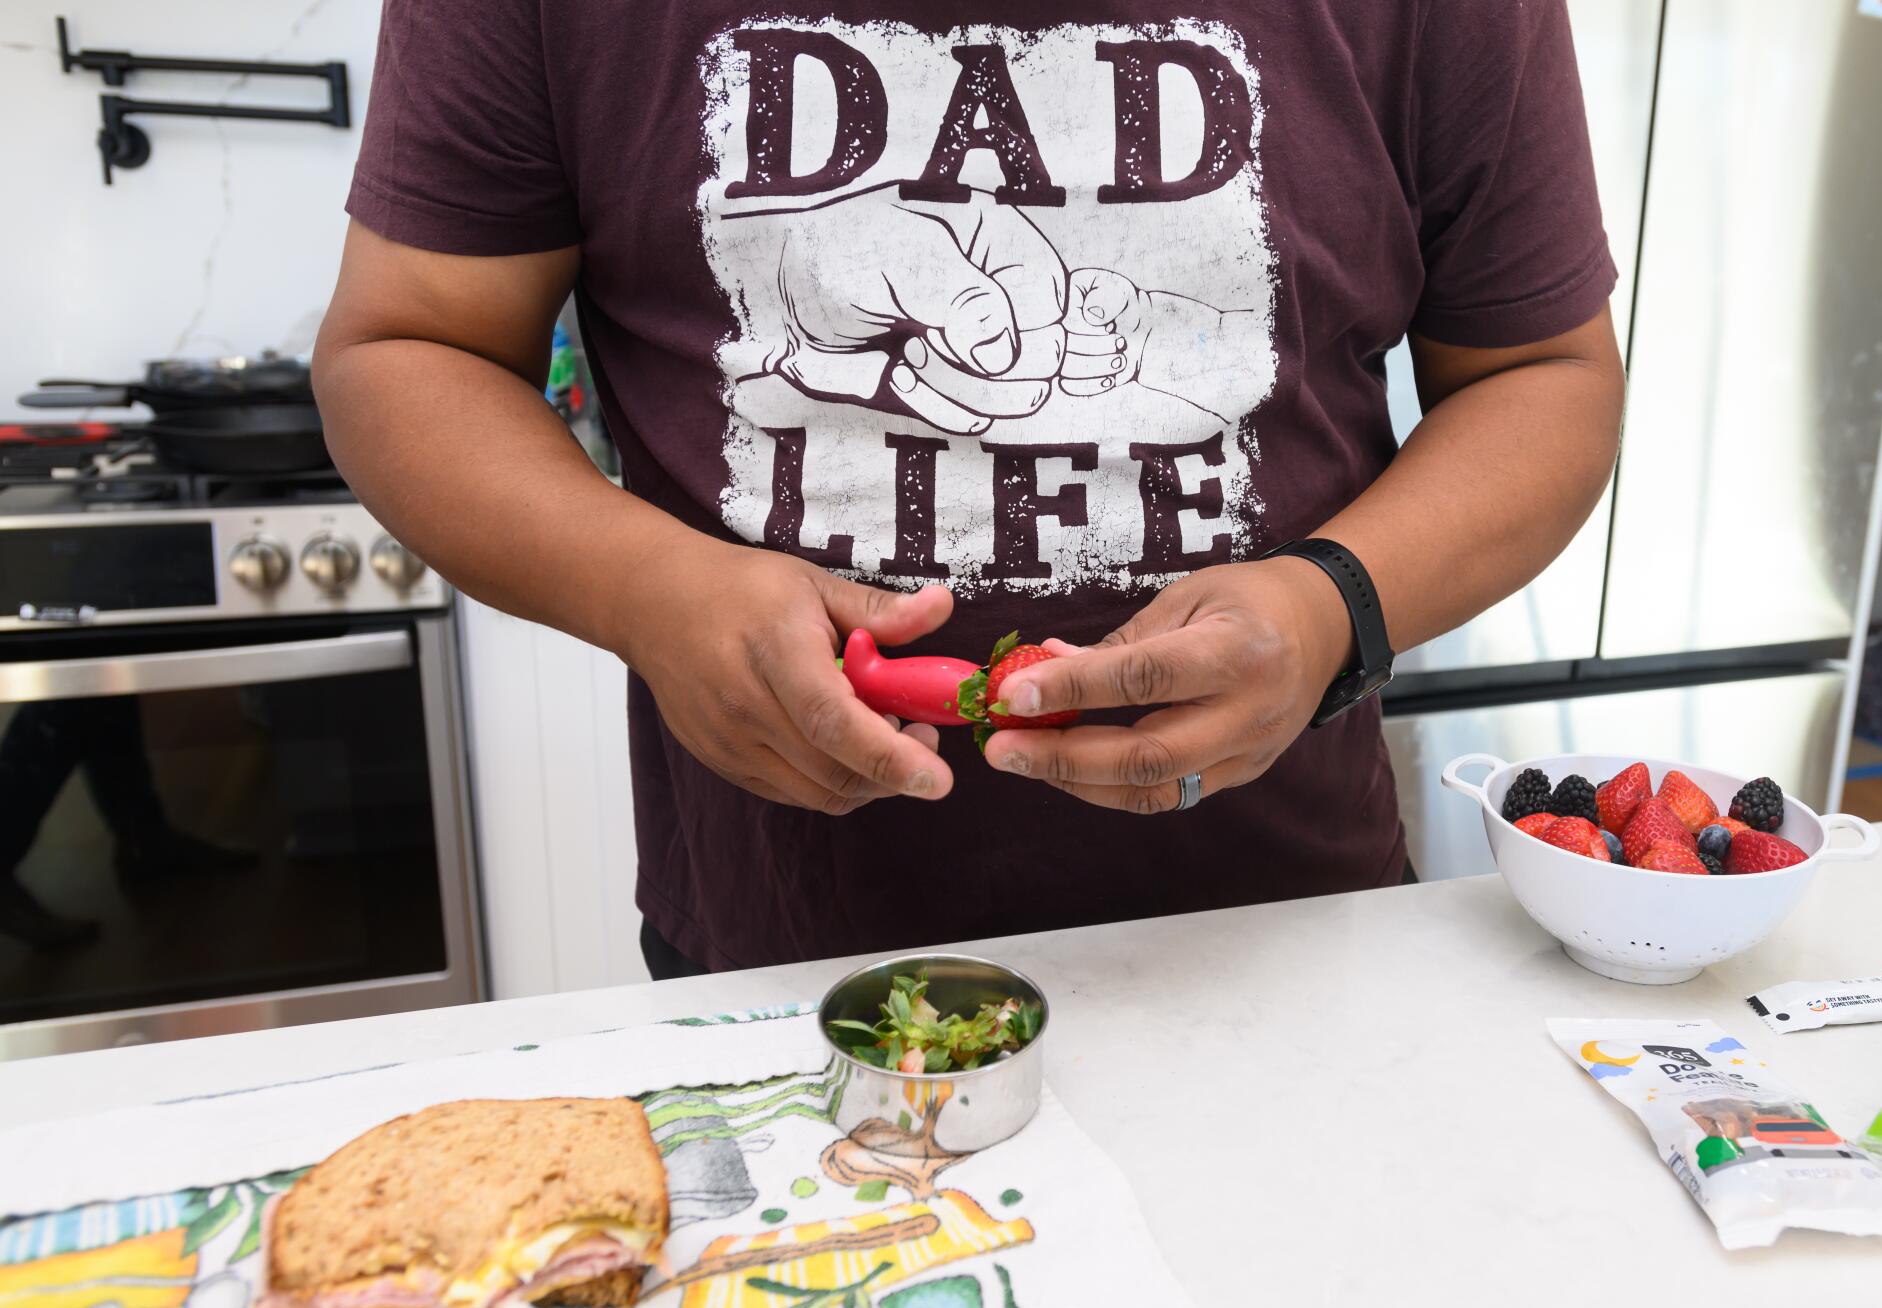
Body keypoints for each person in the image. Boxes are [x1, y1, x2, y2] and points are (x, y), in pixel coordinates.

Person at [318, 1, 1625, 977]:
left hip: (1283, 938)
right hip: (783, 969)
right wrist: (646, 586)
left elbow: (1544, 375)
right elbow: (404, 352)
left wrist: (1334, 605)